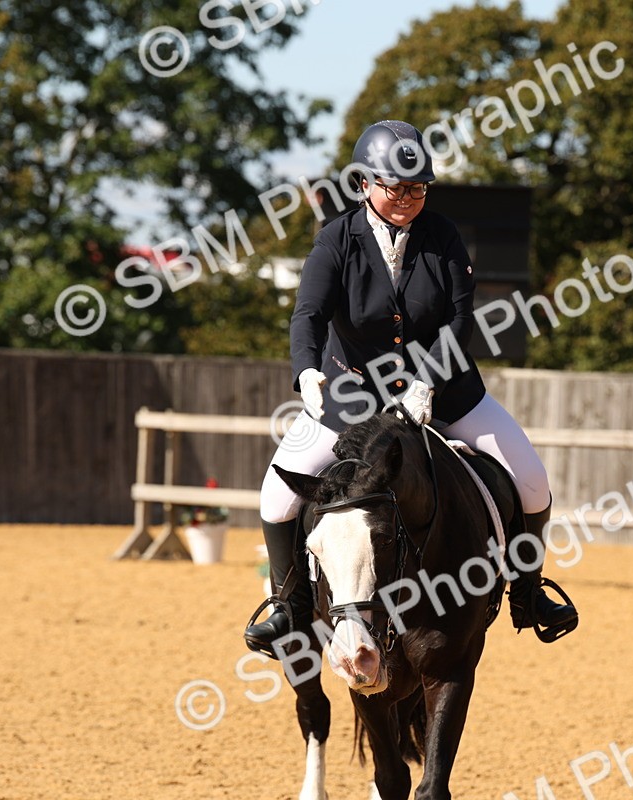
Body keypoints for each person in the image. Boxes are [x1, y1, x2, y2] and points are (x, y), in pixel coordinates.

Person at [244, 120, 577, 657]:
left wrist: (427, 381)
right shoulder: (336, 239)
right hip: (352, 398)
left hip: (444, 390)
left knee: (532, 481)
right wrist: (306, 372)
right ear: (365, 185)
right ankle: (291, 609)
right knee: (278, 495)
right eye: (396, 188)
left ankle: (529, 595)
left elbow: (460, 319)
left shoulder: (443, 237)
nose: (406, 198)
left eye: (417, 188)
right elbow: (308, 314)